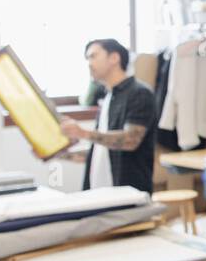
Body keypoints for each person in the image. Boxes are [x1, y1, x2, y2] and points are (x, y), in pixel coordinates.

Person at [59, 39, 158, 194]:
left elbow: (130, 140)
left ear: (114, 58)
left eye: (93, 56)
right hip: (99, 192)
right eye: (87, 58)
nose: (89, 63)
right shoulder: (108, 97)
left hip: (128, 195)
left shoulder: (139, 93)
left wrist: (82, 133)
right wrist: (57, 154)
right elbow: (98, 151)